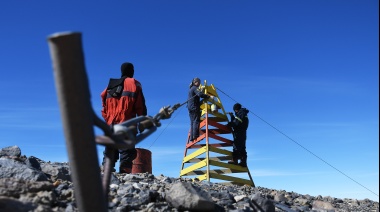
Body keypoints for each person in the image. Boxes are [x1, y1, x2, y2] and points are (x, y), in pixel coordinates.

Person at [100, 62, 147, 173]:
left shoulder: (110, 86)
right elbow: (140, 106)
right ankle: (124, 172)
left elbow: (103, 107)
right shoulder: (134, 84)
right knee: (127, 150)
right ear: (132, 71)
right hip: (127, 122)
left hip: (111, 124)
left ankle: (107, 169)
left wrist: (108, 120)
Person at [187, 77, 213, 142]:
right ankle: (195, 136)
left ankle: (192, 137)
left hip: (190, 107)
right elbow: (200, 94)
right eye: (199, 82)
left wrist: (201, 90)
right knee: (196, 121)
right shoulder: (194, 88)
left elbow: (198, 94)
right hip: (194, 107)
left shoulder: (191, 89)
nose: (199, 83)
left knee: (192, 122)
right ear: (196, 82)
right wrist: (209, 96)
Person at [227, 103, 249, 167]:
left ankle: (235, 160)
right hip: (242, 133)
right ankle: (243, 162)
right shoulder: (243, 113)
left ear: (236, 109)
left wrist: (229, 124)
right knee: (242, 148)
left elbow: (236, 123)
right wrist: (232, 116)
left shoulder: (241, 113)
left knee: (236, 146)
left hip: (239, 132)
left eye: (235, 110)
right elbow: (237, 121)